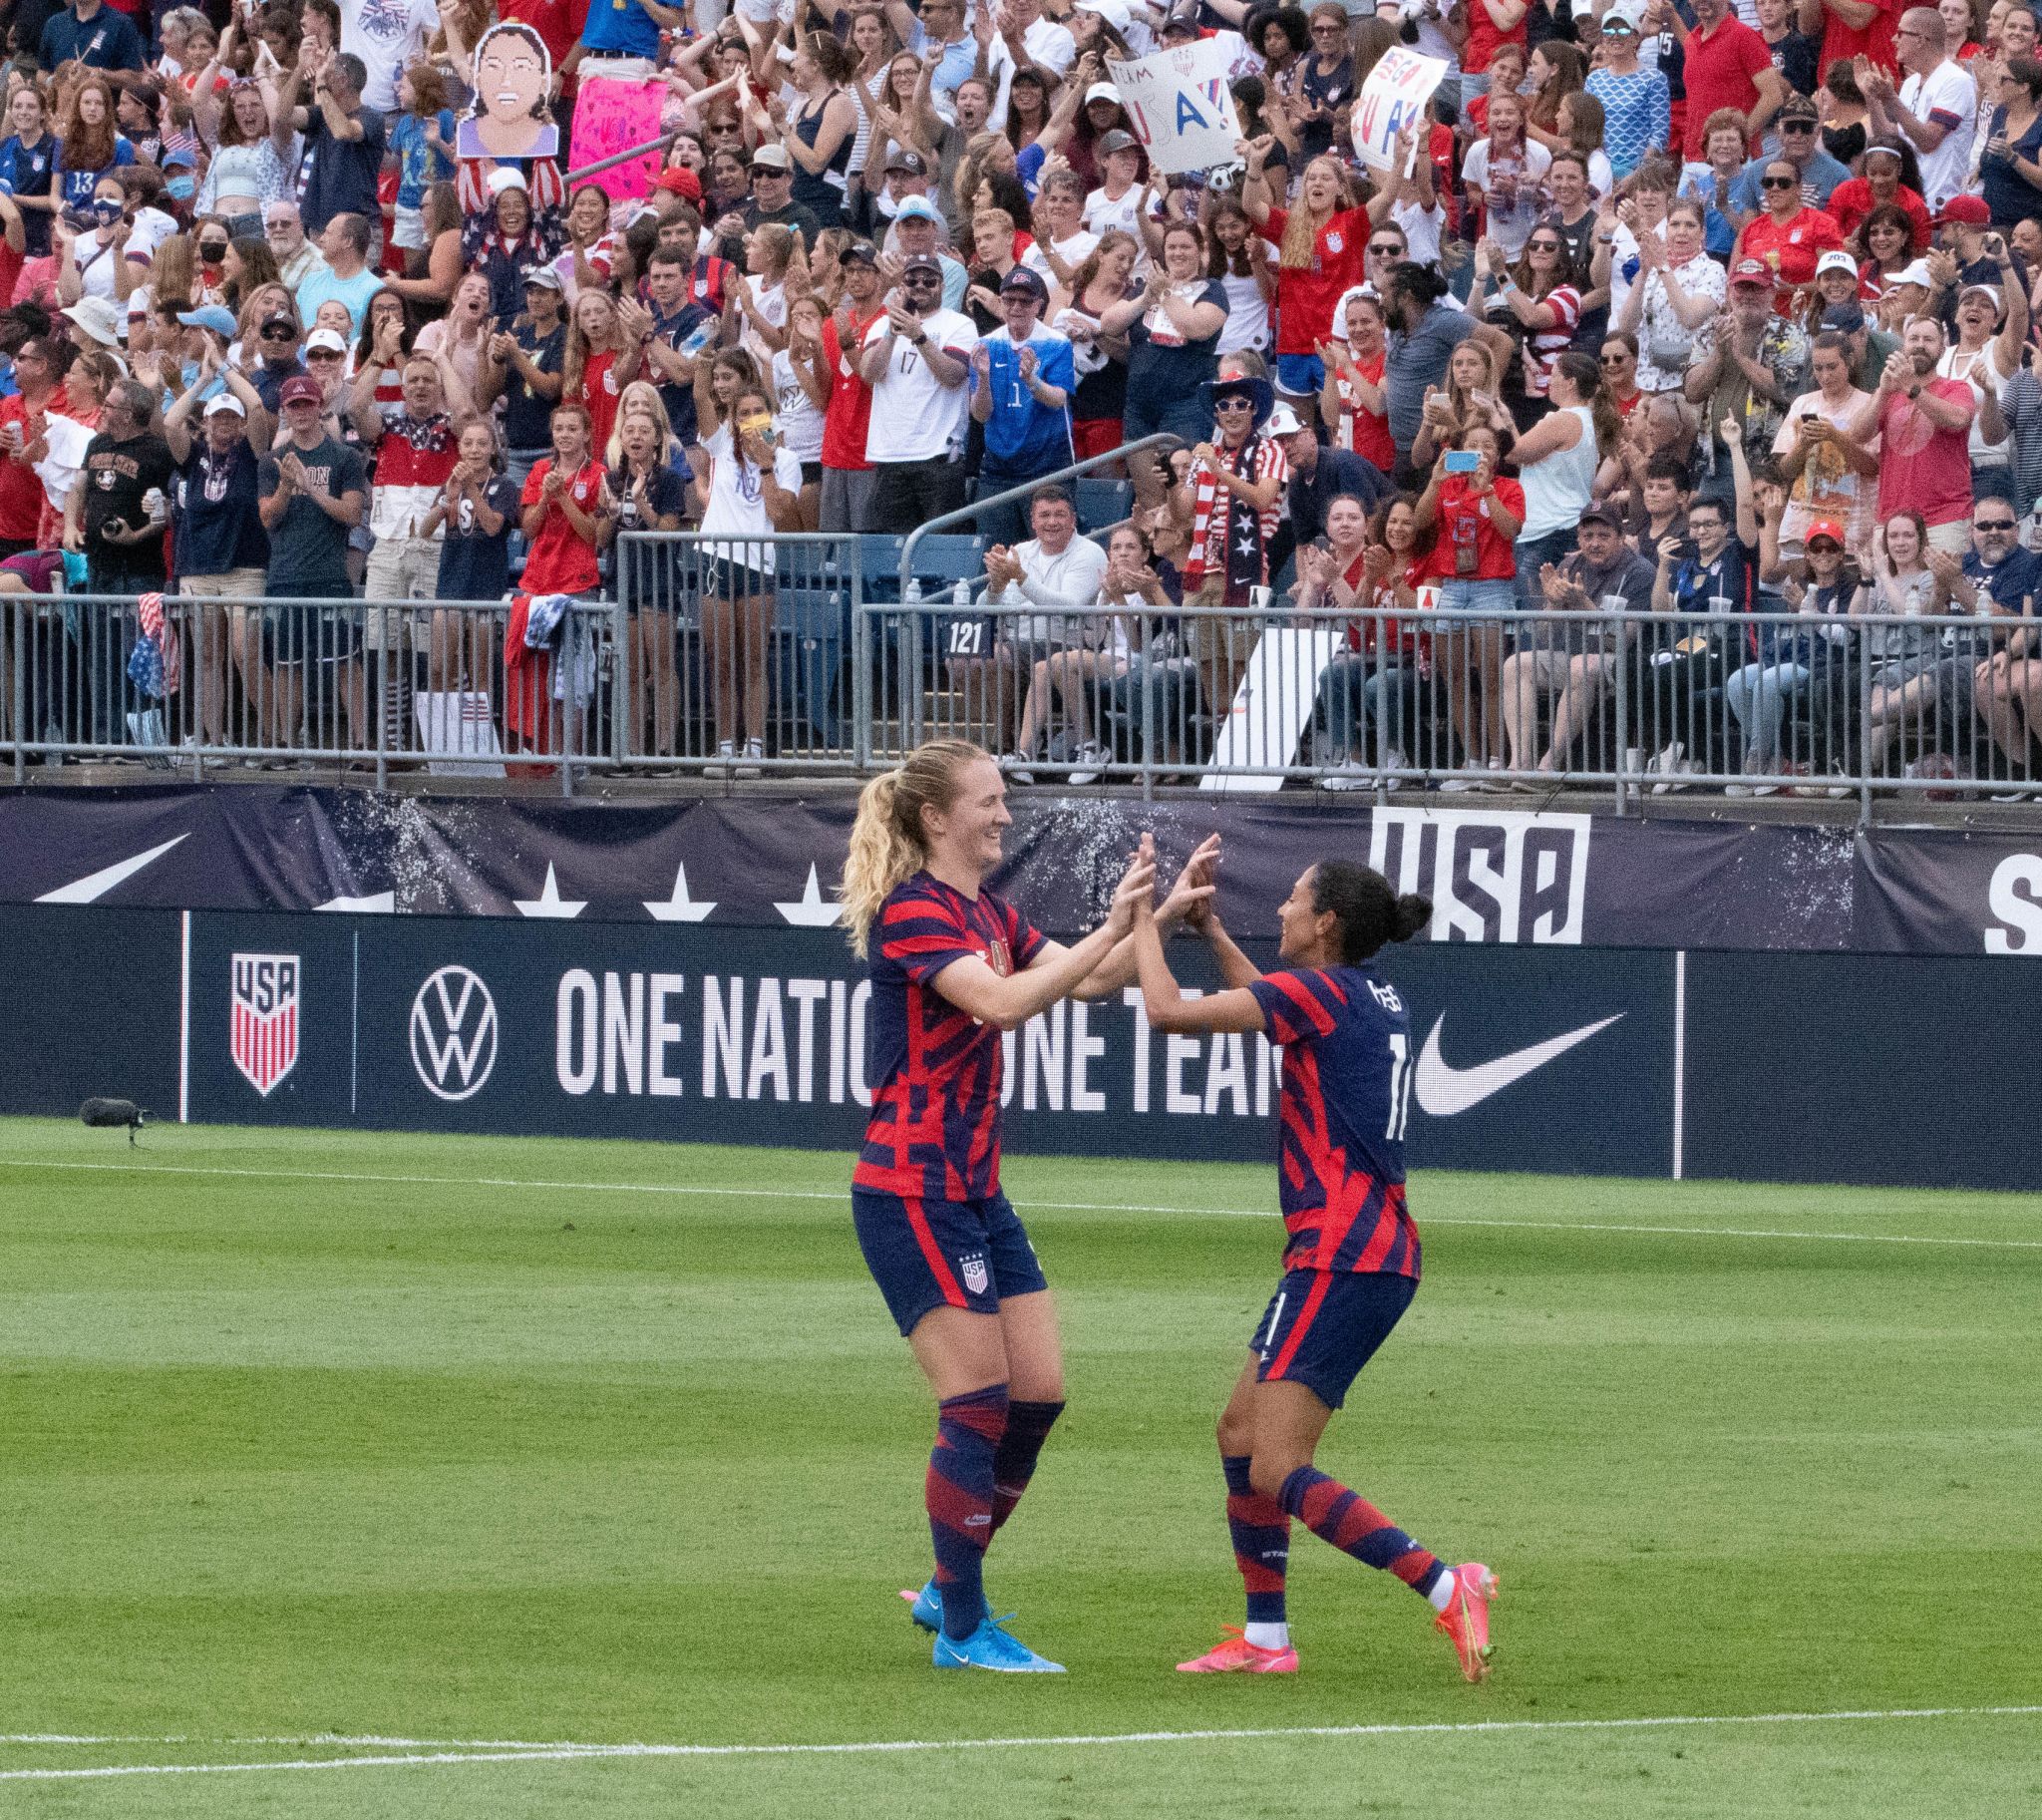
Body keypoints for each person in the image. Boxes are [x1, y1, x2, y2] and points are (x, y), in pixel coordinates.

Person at [838, 740, 1193, 1671]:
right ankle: (961, 1627)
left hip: (974, 1188)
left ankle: (950, 1590)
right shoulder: (914, 911)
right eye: (988, 800)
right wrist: (1101, 934)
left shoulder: (986, 910)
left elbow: (1092, 979)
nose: (1004, 812)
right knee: (978, 1400)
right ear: (935, 819)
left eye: (1004, 798)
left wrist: (1145, 922)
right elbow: (1000, 1003)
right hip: (911, 1187)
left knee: (1036, 1394)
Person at [1124, 844, 1497, 1683]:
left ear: (1325, 922)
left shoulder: (1318, 995)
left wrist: (1141, 916)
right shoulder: (1361, 992)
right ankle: (1266, 1639)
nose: (1284, 908)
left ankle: (1446, 1584)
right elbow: (1275, 1003)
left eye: (1295, 899)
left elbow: (1166, 1012)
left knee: (1276, 1463)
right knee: (1238, 1431)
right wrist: (1212, 931)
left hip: (1343, 1253)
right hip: (1361, 1252)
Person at [1502, 500, 1654, 779]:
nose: (1594, 543)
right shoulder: (1569, 565)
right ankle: (1520, 764)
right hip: (1572, 655)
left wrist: (1583, 603)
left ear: (1620, 538)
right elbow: (1543, 635)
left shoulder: (1639, 572)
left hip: (1621, 664)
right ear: (1578, 538)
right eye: (1587, 536)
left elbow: (1623, 640)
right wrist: (1553, 603)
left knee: (1582, 665)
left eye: (1603, 536)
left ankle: (1549, 765)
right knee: (1516, 664)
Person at [695, 380, 803, 777]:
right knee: (720, 658)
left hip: (758, 563)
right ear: (733, 420)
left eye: (759, 412)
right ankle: (724, 747)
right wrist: (702, 368)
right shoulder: (722, 447)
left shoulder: (787, 459)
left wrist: (767, 463)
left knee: (754, 659)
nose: (751, 420)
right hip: (715, 557)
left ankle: (754, 747)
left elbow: (779, 513)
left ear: (771, 417)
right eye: (743, 413)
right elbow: (700, 397)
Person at [257, 372, 368, 752]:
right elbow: (268, 518)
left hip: (329, 575)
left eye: (307, 403)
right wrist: (287, 486)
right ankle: (289, 744)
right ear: (284, 411)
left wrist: (310, 487)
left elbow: (353, 514)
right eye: (294, 405)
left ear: (320, 406)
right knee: (287, 665)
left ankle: (360, 744)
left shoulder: (345, 457)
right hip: (285, 575)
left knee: (344, 661)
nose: (301, 411)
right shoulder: (271, 462)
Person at [970, 484, 1112, 777]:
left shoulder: (1090, 552)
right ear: (1032, 521)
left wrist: (1020, 577)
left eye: (1059, 514)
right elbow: (987, 606)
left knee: (995, 656)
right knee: (964, 659)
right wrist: (996, 585)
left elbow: (1068, 605)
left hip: (1065, 644)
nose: (1051, 522)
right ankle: (1007, 744)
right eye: (1044, 515)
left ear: (1073, 519)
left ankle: (1015, 748)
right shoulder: (1021, 551)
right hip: (1017, 642)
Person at [165, 370, 271, 755]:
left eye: (231, 417)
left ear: (240, 424)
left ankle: (275, 739)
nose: (224, 423)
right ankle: (213, 739)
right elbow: (170, 422)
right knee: (208, 658)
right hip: (198, 566)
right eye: (217, 417)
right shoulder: (192, 455)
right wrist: (200, 381)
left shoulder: (252, 453)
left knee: (247, 654)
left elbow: (258, 406)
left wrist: (226, 370)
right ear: (206, 422)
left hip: (245, 566)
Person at [1414, 424, 1520, 780]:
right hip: (1452, 586)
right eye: (1470, 445)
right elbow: (1419, 521)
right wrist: (1434, 479)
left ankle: (1496, 760)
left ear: (1498, 455)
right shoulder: (1448, 486)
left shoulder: (1509, 487)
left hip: (1492, 586)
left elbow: (1510, 530)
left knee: (1491, 677)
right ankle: (1471, 760)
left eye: (1486, 446)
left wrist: (1487, 490)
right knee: (1455, 677)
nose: (1478, 451)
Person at [1307, 492, 1434, 789]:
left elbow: (1421, 616)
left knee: (1378, 685)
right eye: (1392, 522)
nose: (1397, 529)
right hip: (1373, 657)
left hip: (1413, 662)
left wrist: (1392, 576)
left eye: (1406, 522)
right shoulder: (1375, 561)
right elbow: (1358, 617)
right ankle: (1355, 762)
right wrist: (1350, 577)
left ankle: (1395, 757)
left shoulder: (1428, 564)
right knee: (1332, 675)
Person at [1099, 219, 1227, 508]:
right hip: (1140, 404)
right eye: (1171, 246)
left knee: (1184, 493)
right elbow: (1108, 323)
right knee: (1149, 496)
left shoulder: (1212, 289)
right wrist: (1147, 297)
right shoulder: (1147, 287)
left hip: (1186, 404)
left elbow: (1197, 327)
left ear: (1200, 251)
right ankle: (1156, 550)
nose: (1177, 253)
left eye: (1185, 246)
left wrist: (1166, 293)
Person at [861, 251, 978, 530]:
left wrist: (919, 336)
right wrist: (893, 331)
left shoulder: (959, 323)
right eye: (913, 280)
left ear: (942, 286)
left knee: (941, 547)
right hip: (890, 453)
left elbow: (953, 376)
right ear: (903, 286)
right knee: (893, 551)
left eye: (930, 281)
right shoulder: (881, 325)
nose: (921, 286)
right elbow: (869, 373)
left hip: (938, 453)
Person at [1847, 315, 1977, 551]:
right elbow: (1857, 434)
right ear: (1903, 346)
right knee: (1888, 588)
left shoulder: (1956, 388)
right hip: (1892, 519)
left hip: (1944, 517)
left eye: (1929, 340)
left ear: (1942, 348)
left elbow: (1958, 419)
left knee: (1944, 587)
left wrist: (1912, 388)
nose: (1920, 345)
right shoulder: (1889, 393)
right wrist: (1883, 392)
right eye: (1913, 338)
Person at [968, 265, 1074, 545]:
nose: (1016, 307)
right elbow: (980, 414)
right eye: (1009, 300)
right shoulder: (985, 344)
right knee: (996, 553)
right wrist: (982, 376)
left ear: (1039, 305)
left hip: (1047, 464)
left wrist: (1031, 380)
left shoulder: (1056, 343)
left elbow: (1058, 399)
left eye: (1025, 301)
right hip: (998, 467)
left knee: (1050, 548)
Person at [1863, 6, 1979, 211]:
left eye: (1900, 33)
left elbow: (1928, 141)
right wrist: (1871, 97)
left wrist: (1891, 98)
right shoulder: (1911, 82)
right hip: (1907, 202)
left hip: (1939, 204)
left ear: (1920, 39)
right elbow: (1892, 139)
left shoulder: (1956, 80)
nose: (1893, 39)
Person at [277, 50, 386, 241]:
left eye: (328, 74)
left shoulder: (372, 118)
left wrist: (321, 86)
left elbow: (342, 131)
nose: (322, 77)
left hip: (356, 229)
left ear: (342, 80)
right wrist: (299, 69)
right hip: (319, 227)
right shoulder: (321, 114)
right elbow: (282, 114)